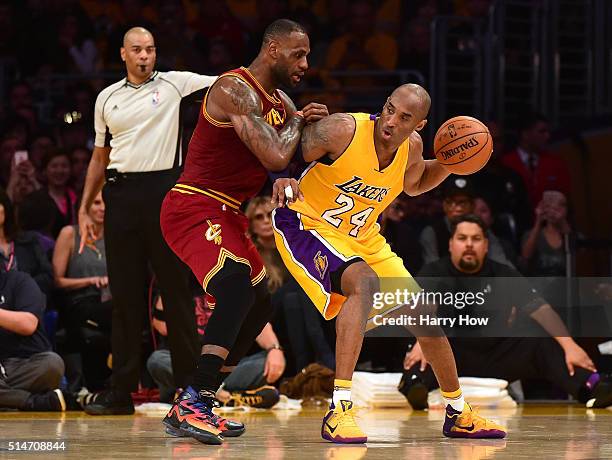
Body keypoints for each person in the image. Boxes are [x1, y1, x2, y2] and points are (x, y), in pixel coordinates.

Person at [272, 84, 506, 444]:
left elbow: (413, 184)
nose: (390, 121)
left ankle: (457, 411)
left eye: (404, 118)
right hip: (305, 222)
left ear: (419, 126)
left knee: (424, 314)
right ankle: (340, 408)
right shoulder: (343, 130)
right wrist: (281, 176)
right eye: (389, 108)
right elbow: (281, 150)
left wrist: (447, 162)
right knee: (364, 283)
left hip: (361, 235)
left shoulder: (411, 148)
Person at [159, 19, 328, 444]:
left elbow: (283, 158)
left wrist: (300, 143)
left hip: (228, 212)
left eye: (307, 54)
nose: (305, 63)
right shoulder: (233, 88)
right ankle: (193, 400)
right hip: (193, 204)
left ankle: (198, 402)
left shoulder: (283, 101)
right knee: (235, 290)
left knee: (259, 303)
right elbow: (274, 152)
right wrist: (298, 121)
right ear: (272, 49)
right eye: (298, 53)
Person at [78, 26, 217, 416]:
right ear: (123, 54)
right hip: (119, 194)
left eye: (151, 50)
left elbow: (228, 82)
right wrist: (85, 205)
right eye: (137, 50)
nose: (144, 56)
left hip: (164, 193)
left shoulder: (174, 84)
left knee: (175, 292)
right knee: (124, 299)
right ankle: (120, 392)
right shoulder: (107, 98)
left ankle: (192, 393)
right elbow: (98, 156)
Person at [400, 214, 612, 410]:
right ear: (451, 244)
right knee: (424, 346)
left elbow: (541, 309)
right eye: (462, 238)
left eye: (476, 239)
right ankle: (415, 389)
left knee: (540, 340)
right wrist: (423, 341)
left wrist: (570, 345)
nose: (469, 245)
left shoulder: (503, 274)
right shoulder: (435, 271)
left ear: (485, 246)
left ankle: (591, 387)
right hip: (452, 354)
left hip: (497, 355)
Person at [146, 293, 284, 408]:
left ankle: (208, 394)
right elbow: (162, 326)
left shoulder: (230, 282)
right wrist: (168, 285)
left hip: (223, 367)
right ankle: (226, 395)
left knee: (265, 362)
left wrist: (275, 349)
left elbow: (257, 323)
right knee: (157, 360)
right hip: (190, 364)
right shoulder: (180, 283)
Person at [53, 191, 111, 390]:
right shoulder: (69, 234)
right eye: (96, 203)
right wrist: (90, 280)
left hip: (107, 305)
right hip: (78, 303)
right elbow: (57, 281)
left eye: (105, 202)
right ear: (84, 206)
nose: (102, 207)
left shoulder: (115, 236)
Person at [0, 269, 72, 411]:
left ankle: (8, 400)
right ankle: (33, 402)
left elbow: (28, 324)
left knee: (52, 363)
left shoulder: (19, 281)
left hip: (24, 365)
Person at [419, 177, 515, 267]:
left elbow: (502, 264)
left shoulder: (482, 230)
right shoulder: (433, 233)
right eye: (451, 202)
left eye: (462, 202)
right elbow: (432, 273)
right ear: (444, 205)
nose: (457, 208)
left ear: (472, 206)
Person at [501, 111, 571, 209]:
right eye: (542, 131)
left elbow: (565, 198)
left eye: (547, 132)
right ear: (525, 134)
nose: (547, 136)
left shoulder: (556, 163)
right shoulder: (505, 163)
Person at [0, 188, 53, 296]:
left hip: (30, 304)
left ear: (5, 207)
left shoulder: (29, 240)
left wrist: (23, 287)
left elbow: (48, 277)